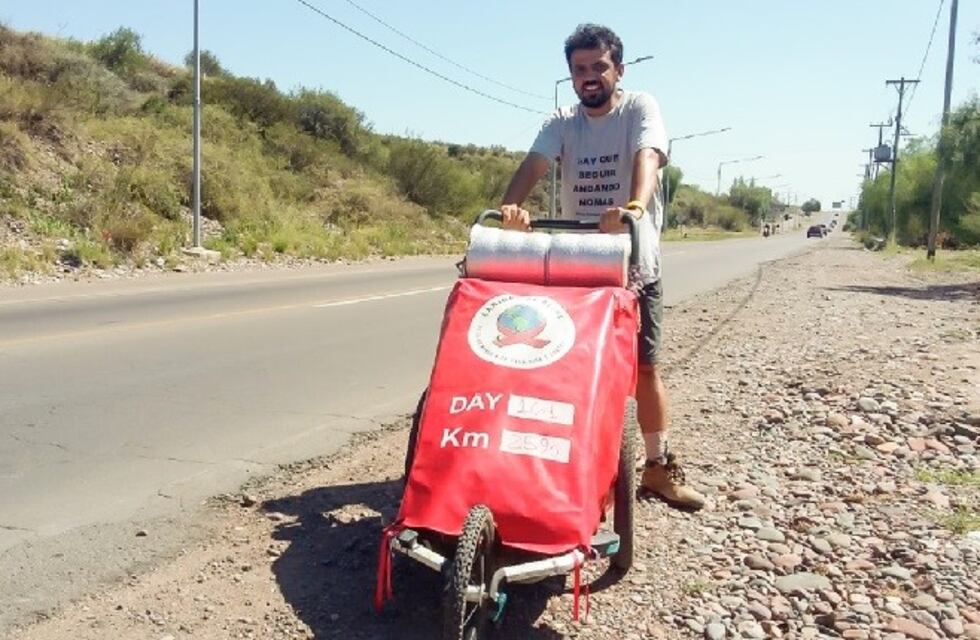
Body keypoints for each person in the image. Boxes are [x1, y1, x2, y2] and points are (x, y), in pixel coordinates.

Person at [498, 23, 704, 510]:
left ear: (618, 69)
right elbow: (534, 164)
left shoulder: (639, 108)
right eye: (580, 70)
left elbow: (648, 154)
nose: (589, 77)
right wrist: (510, 209)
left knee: (643, 369)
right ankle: (556, 466)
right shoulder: (562, 121)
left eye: (599, 67)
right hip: (577, 264)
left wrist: (633, 206)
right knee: (559, 366)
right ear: (571, 77)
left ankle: (657, 467)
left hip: (632, 263)